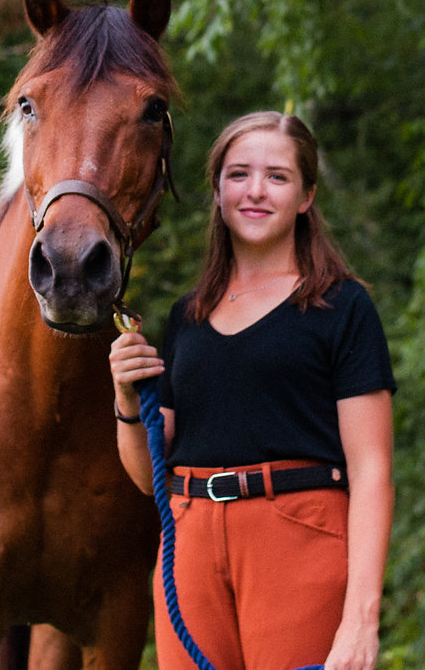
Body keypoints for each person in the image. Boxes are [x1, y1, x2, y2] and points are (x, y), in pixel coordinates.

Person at [109, 110, 395, 670]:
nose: (256, 191)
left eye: (278, 176)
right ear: (217, 191)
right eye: (238, 174)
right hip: (188, 548)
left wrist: (362, 619)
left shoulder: (343, 308)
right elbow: (149, 477)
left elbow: (373, 472)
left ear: (307, 196)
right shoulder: (186, 317)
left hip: (298, 537)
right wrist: (124, 400)